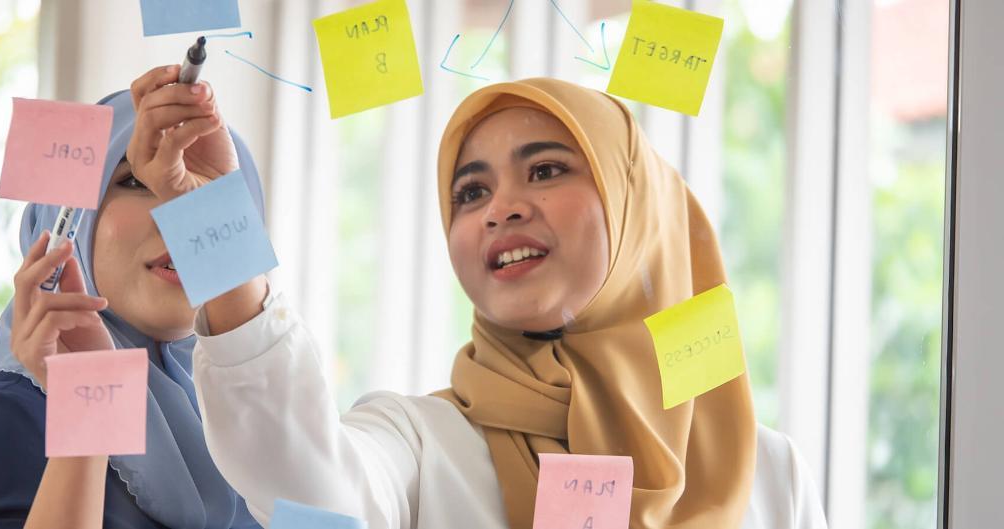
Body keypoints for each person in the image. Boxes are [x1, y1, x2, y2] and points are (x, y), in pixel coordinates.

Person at [184, 78, 829, 528]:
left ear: (638, 215)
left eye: (546, 170)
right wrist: (212, 221)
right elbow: (304, 486)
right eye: (470, 192)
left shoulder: (768, 474)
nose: (502, 208)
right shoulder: (421, 447)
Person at [0, 65, 264, 529]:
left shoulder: (247, 434)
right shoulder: (4, 422)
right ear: (68, 221)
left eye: (203, 193)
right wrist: (89, 418)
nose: (182, 215)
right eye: (135, 181)